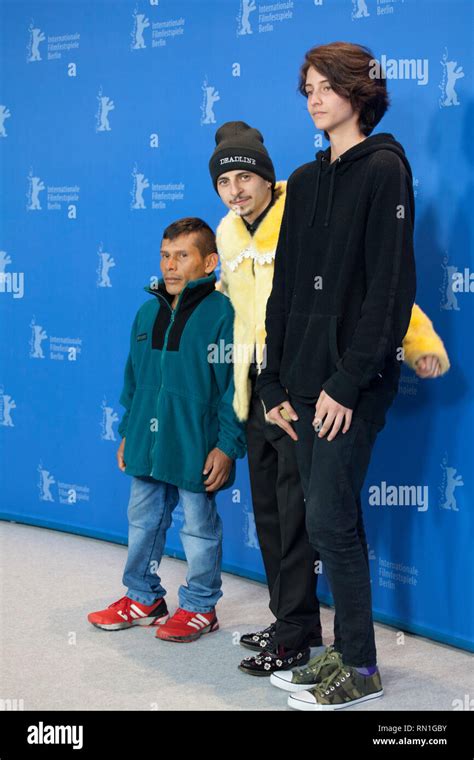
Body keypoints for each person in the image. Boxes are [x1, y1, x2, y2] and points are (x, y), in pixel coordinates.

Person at [209, 120, 449, 676]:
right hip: (260, 388)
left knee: (307, 517)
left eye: (247, 177)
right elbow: (245, 311)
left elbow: (380, 291)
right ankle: (290, 617)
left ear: (268, 179)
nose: (237, 190)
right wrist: (253, 384)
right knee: (271, 515)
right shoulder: (226, 233)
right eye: (226, 182)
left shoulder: (310, 207)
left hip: (308, 385)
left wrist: (419, 346)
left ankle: (303, 634)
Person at [256, 40, 419, 708]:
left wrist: (348, 382)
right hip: (298, 384)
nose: (314, 97)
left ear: (359, 91)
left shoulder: (386, 170)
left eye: (326, 86)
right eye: (308, 88)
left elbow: (390, 289)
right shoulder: (305, 179)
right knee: (321, 521)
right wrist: (271, 382)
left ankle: (360, 668)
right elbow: (283, 289)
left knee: (330, 520)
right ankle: (339, 657)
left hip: (350, 386)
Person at [88, 217, 247, 643]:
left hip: (194, 445)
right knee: (142, 520)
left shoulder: (222, 314)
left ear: (209, 261)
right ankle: (143, 596)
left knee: (197, 526)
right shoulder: (146, 310)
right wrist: (129, 431)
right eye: (165, 255)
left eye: (182, 256)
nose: (170, 265)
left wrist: (227, 446)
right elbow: (134, 382)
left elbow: (235, 388)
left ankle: (200, 605)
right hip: (147, 442)